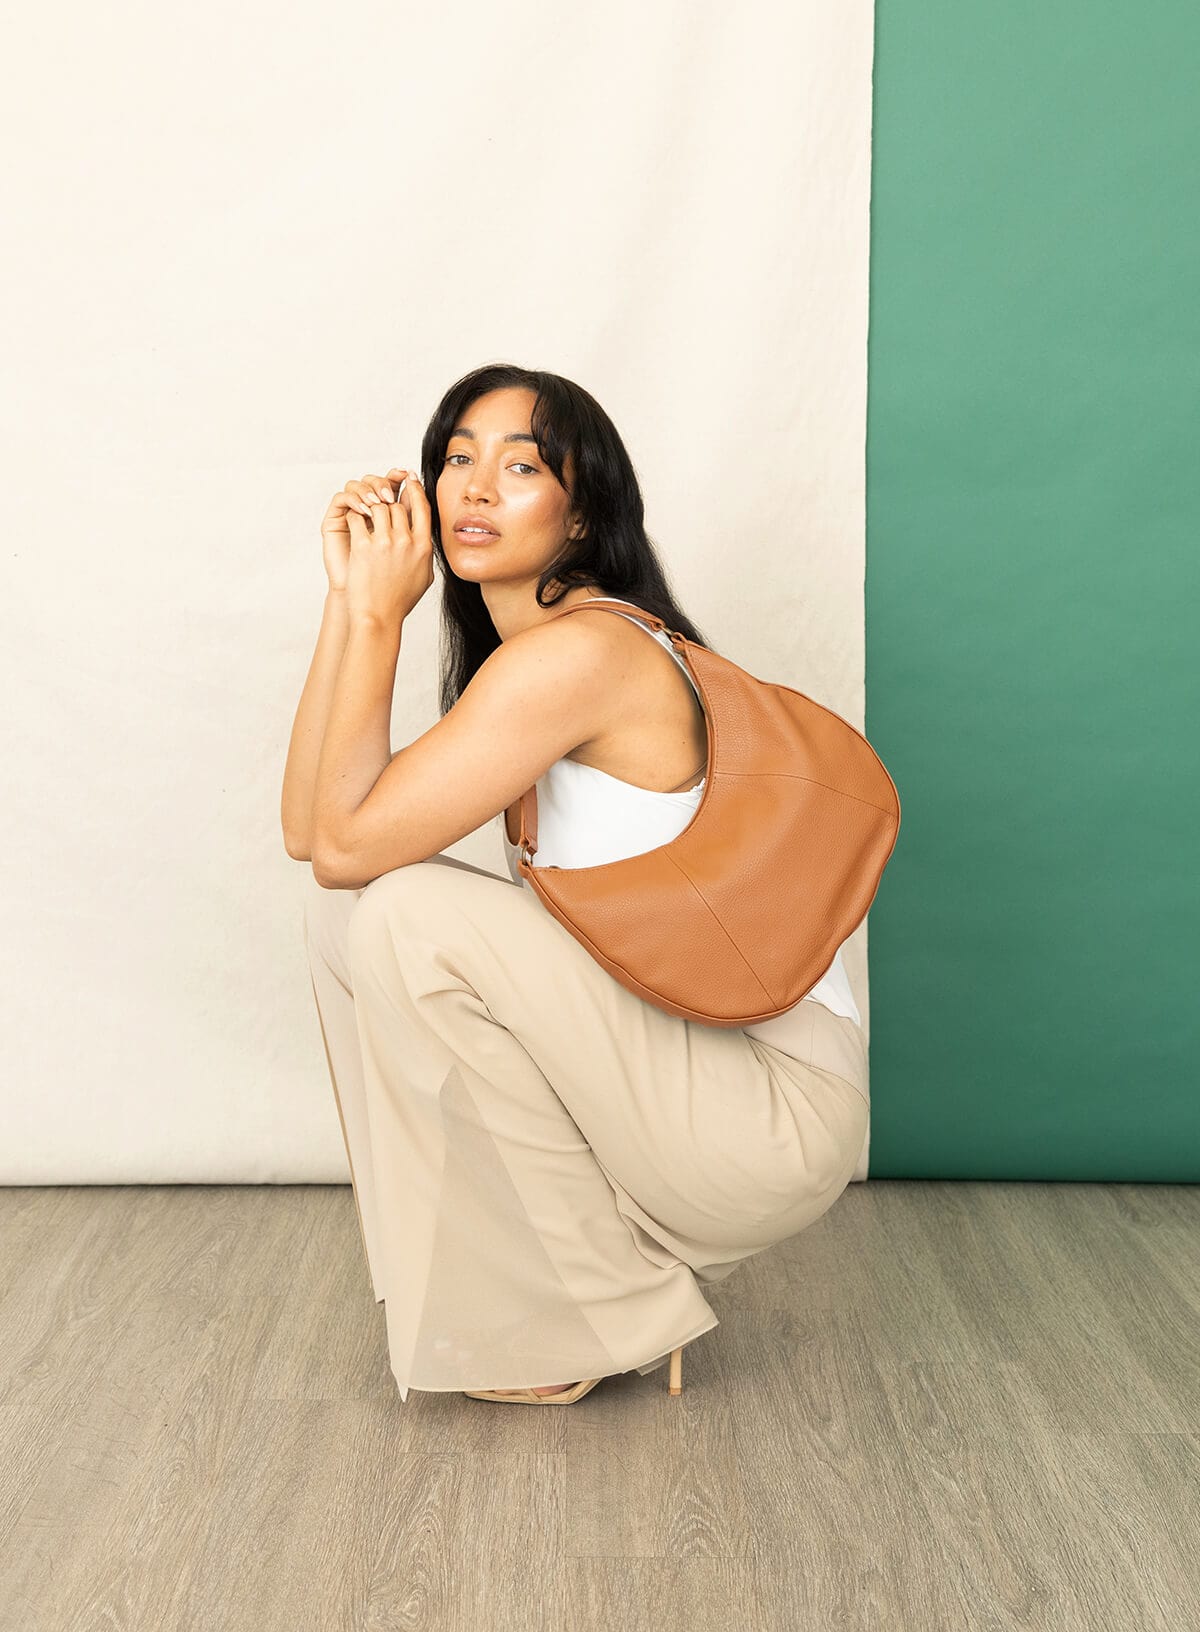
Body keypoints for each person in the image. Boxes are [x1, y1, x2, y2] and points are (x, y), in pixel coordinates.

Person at [281, 362, 870, 1405]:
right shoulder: (540, 655)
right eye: (456, 459)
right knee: (350, 913)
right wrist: (350, 604)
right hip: (693, 1080)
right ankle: (572, 1286)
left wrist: (382, 622)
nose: (473, 486)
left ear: (583, 513)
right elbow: (312, 837)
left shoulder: (583, 654)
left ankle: (588, 1316)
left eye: (519, 466)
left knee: (407, 910)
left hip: (769, 1107)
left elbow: (344, 840)